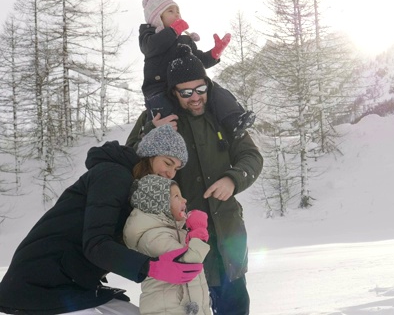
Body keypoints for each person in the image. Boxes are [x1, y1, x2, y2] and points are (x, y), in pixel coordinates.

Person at [0, 125, 202, 315]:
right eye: (167, 163)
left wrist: (186, 232)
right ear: (149, 155)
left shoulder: (140, 190)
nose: (170, 173)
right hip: (40, 282)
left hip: (77, 283)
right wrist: (150, 267)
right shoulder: (113, 175)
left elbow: (140, 238)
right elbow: (96, 244)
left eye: (176, 168)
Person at [126, 44, 264, 315]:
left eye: (200, 89)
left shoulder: (223, 117)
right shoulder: (155, 118)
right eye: (186, 92)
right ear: (173, 92)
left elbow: (252, 157)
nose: (195, 97)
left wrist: (233, 180)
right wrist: (152, 132)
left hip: (227, 238)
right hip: (179, 242)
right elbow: (130, 161)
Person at [140, 0, 255, 139]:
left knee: (215, 91)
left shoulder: (184, 39)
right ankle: (161, 138)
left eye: (178, 11)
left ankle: (234, 120)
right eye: (170, 11)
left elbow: (199, 60)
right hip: (159, 87)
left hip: (187, 84)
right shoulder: (148, 35)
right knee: (162, 112)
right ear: (157, 18)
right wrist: (173, 31)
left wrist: (214, 54)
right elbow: (151, 47)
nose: (176, 14)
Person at [124, 174, 212, 315]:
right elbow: (189, 263)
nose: (184, 200)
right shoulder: (153, 237)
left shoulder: (177, 233)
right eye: (176, 196)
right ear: (159, 203)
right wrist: (199, 231)